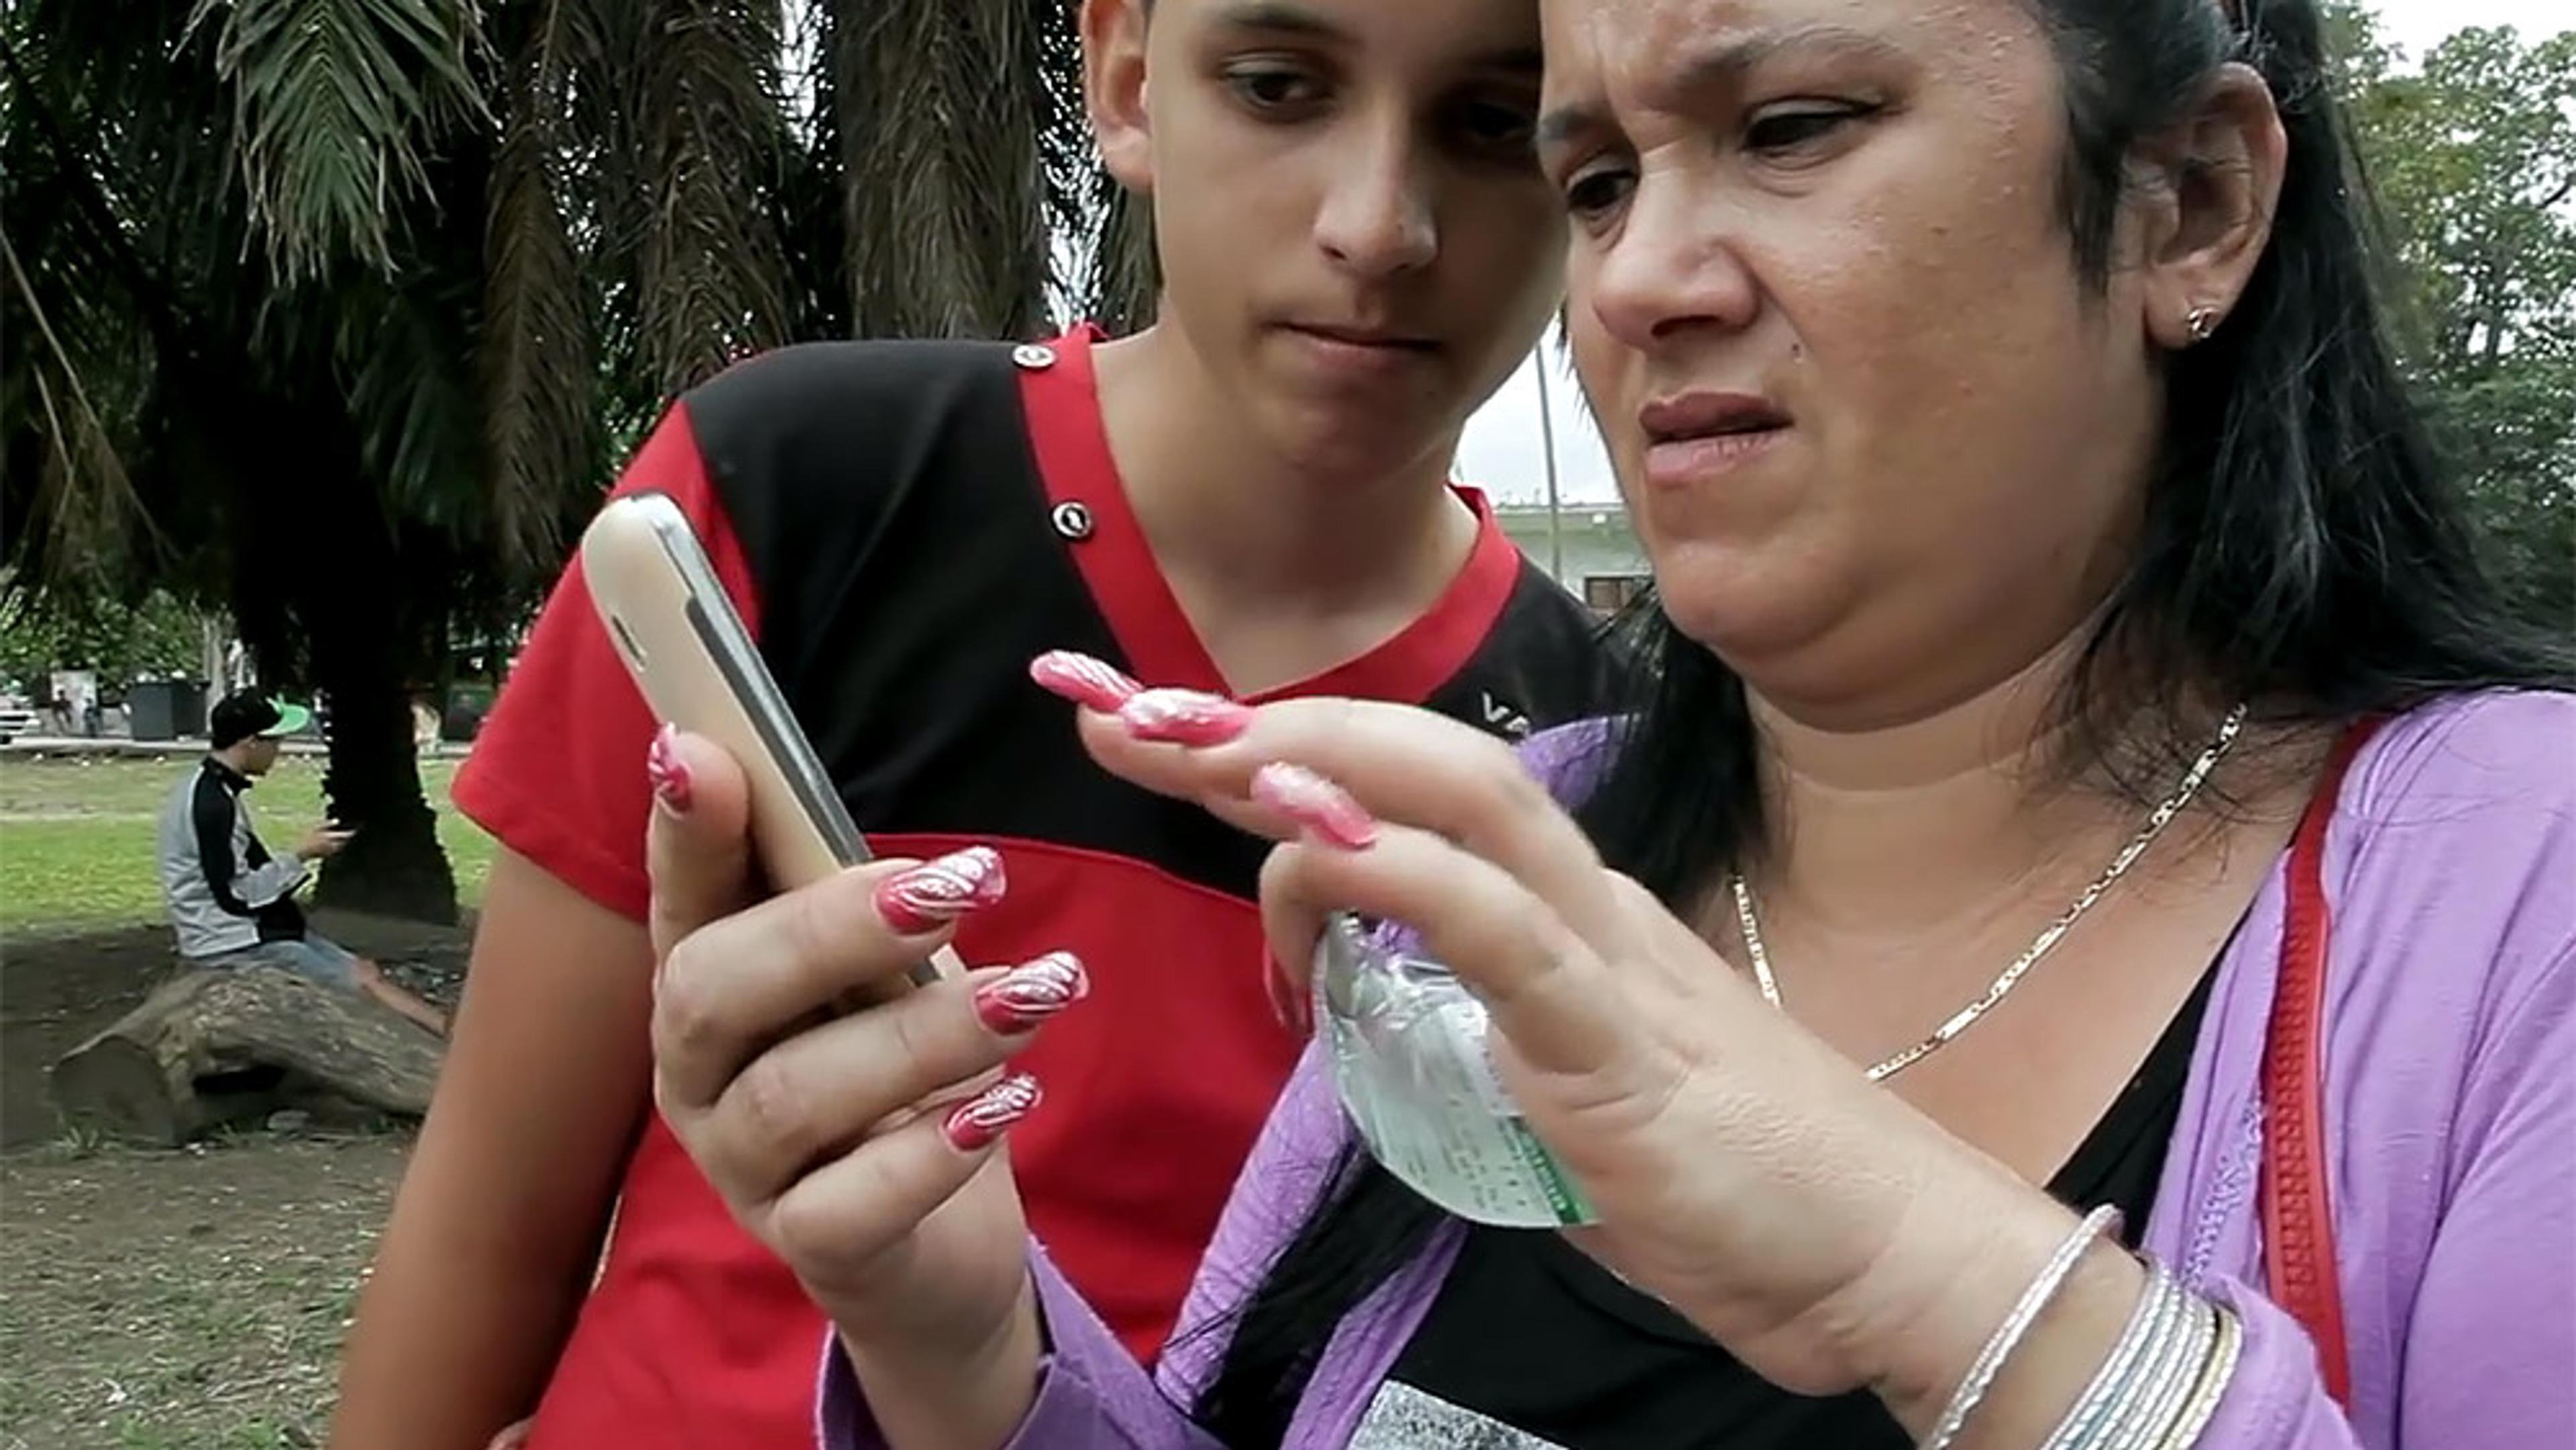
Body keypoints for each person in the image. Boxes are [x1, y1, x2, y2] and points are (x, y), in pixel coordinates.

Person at [639, 0, 2576, 1445]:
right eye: (1595, 181)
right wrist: (968, 1342)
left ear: (2193, 201)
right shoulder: (1512, 862)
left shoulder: (2519, 898)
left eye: (1793, 126)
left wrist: (1920, 1274)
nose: (1638, 277)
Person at [327, 0, 1620, 1444]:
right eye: (1276, 86)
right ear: (1127, 79)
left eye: (1493, 122)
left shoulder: (1604, 767)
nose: (1378, 227)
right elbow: (494, 1216)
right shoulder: (801, 491)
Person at [158, 691, 449, 1037]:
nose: (279, 750)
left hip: (247, 930)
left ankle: (450, 1031)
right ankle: (448, 1043)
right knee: (361, 988)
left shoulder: (208, 788)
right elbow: (236, 895)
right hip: (232, 943)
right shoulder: (212, 805)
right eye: (275, 741)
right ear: (251, 743)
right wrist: (301, 855)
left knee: (365, 971)